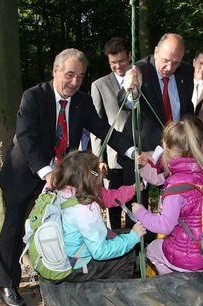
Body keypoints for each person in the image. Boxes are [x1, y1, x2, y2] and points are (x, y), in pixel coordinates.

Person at [0, 48, 136, 306]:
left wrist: (132, 151)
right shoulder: (33, 97)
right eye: (69, 75)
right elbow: (26, 139)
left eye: (80, 77)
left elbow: (103, 129)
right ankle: (7, 282)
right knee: (15, 227)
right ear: (55, 71)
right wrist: (46, 172)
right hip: (25, 173)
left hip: (60, 179)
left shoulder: (82, 101)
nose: (74, 82)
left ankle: (54, 275)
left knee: (57, 227)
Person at [132, 118, 203, 274]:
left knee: (152, 249)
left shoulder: (176, 185)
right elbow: (157, 178)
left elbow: (164, 226)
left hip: (190, 257)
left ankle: (174, 286)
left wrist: (141, 212)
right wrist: (144, 166)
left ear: (170, 150)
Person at [49, 150, 146, 282]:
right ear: (89, 178)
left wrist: (132, 189)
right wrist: (133, 237)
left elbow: (108, 196)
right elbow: (100, 252)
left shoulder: (61, 191)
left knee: (122, 235)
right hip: (77, 265)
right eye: (96, 171)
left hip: (62, 256)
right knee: (127, 256)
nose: (100, 174)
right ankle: (108, 294)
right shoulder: (86, 209)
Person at [118, 33, 194, 155]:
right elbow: (124, 104)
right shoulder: (140, 69)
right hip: (145, 153)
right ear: (156, 51)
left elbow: (188, 108)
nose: (169, 68)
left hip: (178, 152)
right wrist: (133, 93)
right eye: (166, 60)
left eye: (176, 63)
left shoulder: (187, 71)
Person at [90, 37, 132, 229]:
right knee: (113, 206)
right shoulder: (99, 85)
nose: (118, 66)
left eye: (121, 61)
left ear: (129, 56)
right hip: (113, 159)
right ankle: (115, 248)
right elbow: (96, 126)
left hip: (139, 156)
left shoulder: (140, 78)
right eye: (113, 62)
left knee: (137, 205)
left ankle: (139, 250)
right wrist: (98, 158)